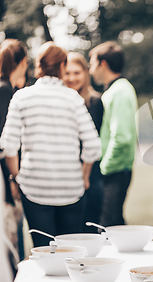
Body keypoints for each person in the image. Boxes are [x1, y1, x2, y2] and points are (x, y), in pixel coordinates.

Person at [0, 42, 101, 247]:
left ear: (38, 66)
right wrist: (84, 175)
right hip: (71, 187)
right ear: (62, 66)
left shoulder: (22, 96)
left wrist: (17, 177)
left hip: (34, 187)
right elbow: (93, 145)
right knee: (71, 253)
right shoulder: (73, 98)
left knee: (44, 252)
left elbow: (8, 145)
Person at [89, 42, 137, 227]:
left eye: (92, 64)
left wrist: (103, 169)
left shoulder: (119, 92)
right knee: (113, 225)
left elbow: (122, 137)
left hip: (113, 171)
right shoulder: (116, 90)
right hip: (113, 171)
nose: (91, 70)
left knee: (108, 229)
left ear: (103, 64)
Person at [63, 52, 104, 233]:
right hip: (66, 177)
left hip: (89, 176)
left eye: (77, 73)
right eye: (67, 73)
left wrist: (84, 174)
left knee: (87, 230)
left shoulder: (94, 101)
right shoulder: (60, 102)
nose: (71, 78)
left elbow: (90, 141)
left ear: (86, 73)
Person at [0, 38, 27, 281]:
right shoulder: (5, 91)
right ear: (22, 63)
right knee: (11, 237)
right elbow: (5, 142)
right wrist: (12, 177)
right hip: (5, 176)